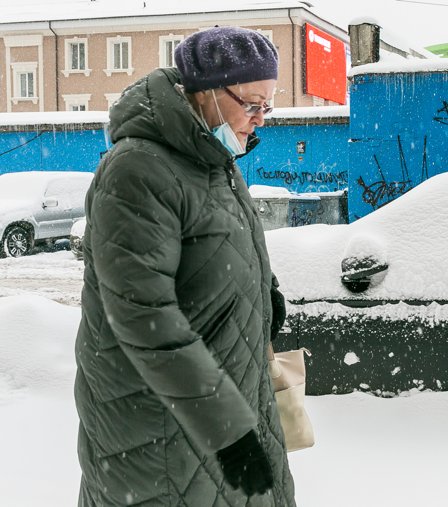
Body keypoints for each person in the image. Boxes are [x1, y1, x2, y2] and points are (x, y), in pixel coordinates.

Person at [74, 26, 295, 506]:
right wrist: (228, 431)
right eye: (251, 104)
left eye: (268, 106)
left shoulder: (215, 162)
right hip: (160, 440)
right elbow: (142, 315)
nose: (260, 120)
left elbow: (214, 248)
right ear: (207, 93)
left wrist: (262, 295)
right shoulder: (137, 170)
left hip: (220, 410)